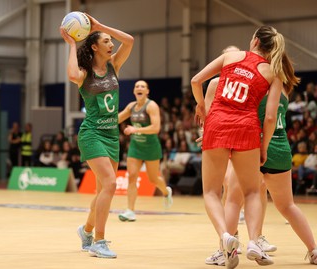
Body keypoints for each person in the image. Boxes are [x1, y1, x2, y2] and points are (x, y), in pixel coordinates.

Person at [191, 25, 288, 268]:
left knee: (212, 192)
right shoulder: (274, 72)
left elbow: (195, 80)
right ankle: (254, 241)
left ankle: (226, 237)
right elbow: (269, 117)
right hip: (247, 128)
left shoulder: (231, 57)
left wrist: (201, 105)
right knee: (253, 192)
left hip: (218, 124)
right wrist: (264, 147)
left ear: (255, 40)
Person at [60, 13, 134, 258]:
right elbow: (71, 75)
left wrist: (102, 26)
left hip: (112, 136)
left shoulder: (113, 65)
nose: (111, 43)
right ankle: (98, 242)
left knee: (102, 190)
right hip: (92, 134)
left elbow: (130, 40)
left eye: (110, 41)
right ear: (94, 47)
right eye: (105, 41)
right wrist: (71, 45)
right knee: (111, 185)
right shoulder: (84, 73)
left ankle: (87, 230)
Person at [225, 69, 317, 265]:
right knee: (287, 205)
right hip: (282, 148)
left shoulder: (256, 84)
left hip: (256, 147)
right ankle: (313, 249)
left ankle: (229, 251)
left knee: (234, 200)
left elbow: (264, 118)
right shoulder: (283, 86)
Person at [117, 80, 173, 222]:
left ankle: (166, 192)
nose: (139, 88)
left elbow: (156, 128)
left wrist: (135, 129)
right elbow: (117, 119)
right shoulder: (131, 106)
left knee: (153, 179)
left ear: (147, 91)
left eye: (142, 86)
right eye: (137, 86)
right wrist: (101, 119)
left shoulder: (152, 106)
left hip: (151, 147)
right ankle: (130, 211)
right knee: (132, 176)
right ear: (134, 91)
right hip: (135, 147)